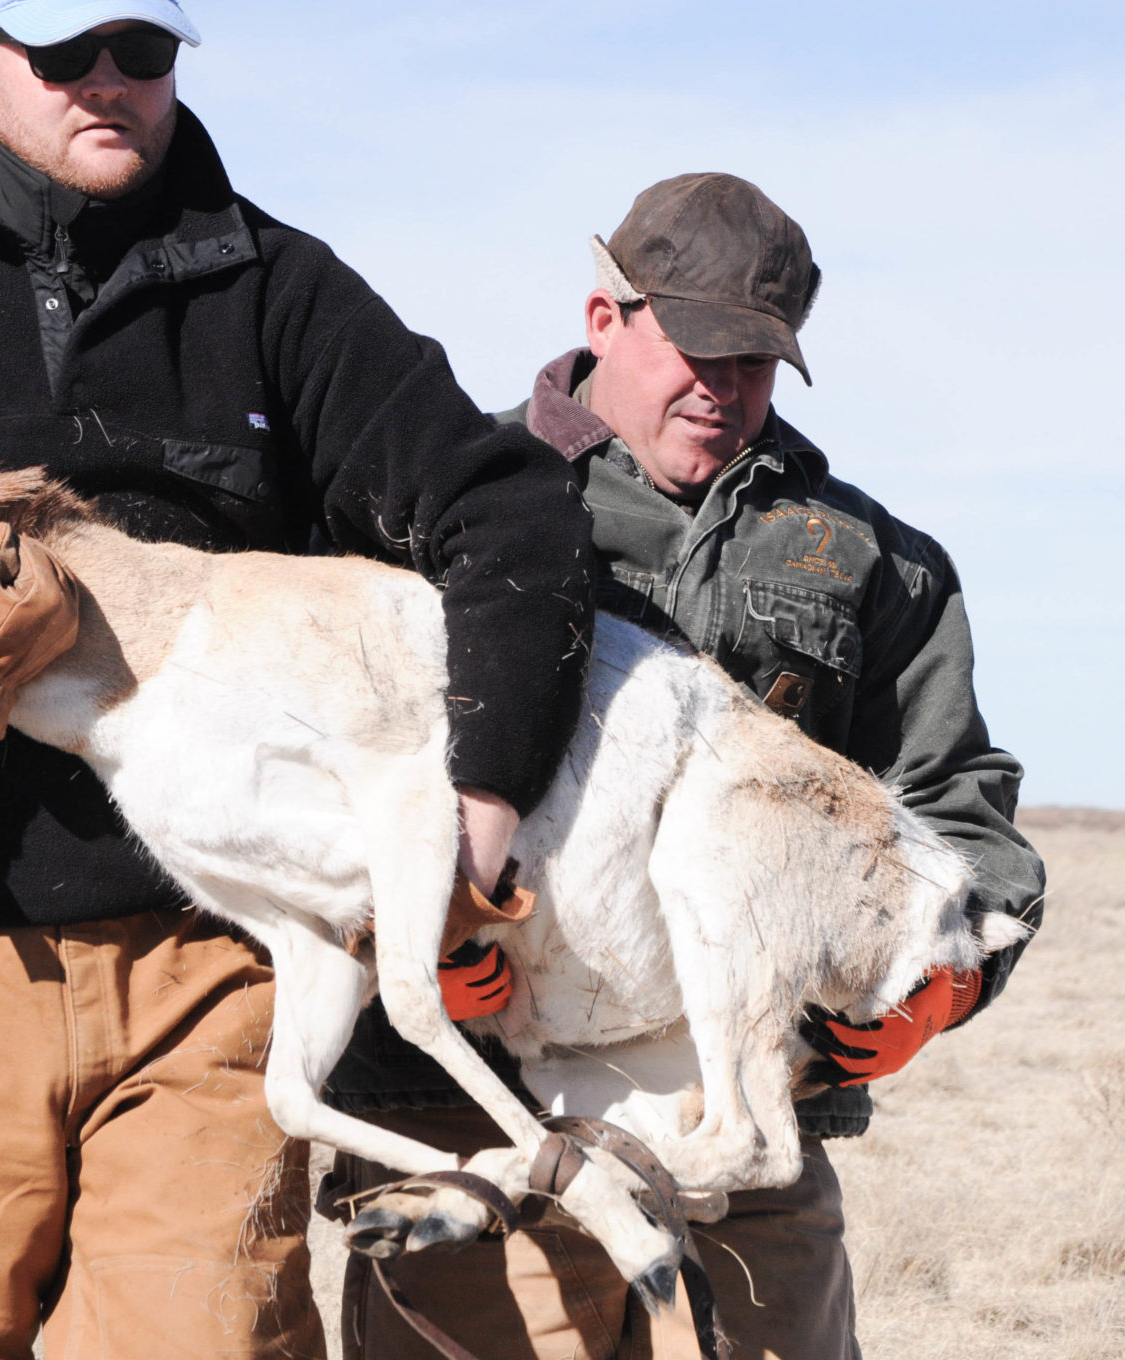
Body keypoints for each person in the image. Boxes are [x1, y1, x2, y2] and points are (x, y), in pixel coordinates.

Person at [0, 3, 593, 1356]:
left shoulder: (280, 286)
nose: (109, 83)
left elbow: (507, 515)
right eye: (64, 53)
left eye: (142, 52)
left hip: (208, 969)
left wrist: (485, 794)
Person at [328, 174, 1048, 1360]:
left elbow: (953, 792)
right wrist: (392, 942)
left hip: (742, 1120)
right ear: (603, 316)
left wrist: (946, 984)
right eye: (696, 352)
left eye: (756, 365)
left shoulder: (870, 557)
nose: (722, 392)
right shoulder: (438, 503)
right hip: (462, 1104)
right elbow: (323, 762)